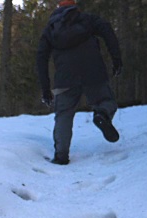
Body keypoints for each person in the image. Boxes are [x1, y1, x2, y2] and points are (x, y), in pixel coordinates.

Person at [36, 0, 123, 165]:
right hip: (93, 71)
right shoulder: (87, 19)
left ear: (58, 8)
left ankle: (61, 155)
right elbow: (107, 30)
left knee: (64, 115)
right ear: (74, 6)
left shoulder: (50, 30)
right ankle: (102, 114)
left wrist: (45, 88)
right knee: (106, 101)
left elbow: (41, 58)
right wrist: (116, 58)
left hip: (65, 78)